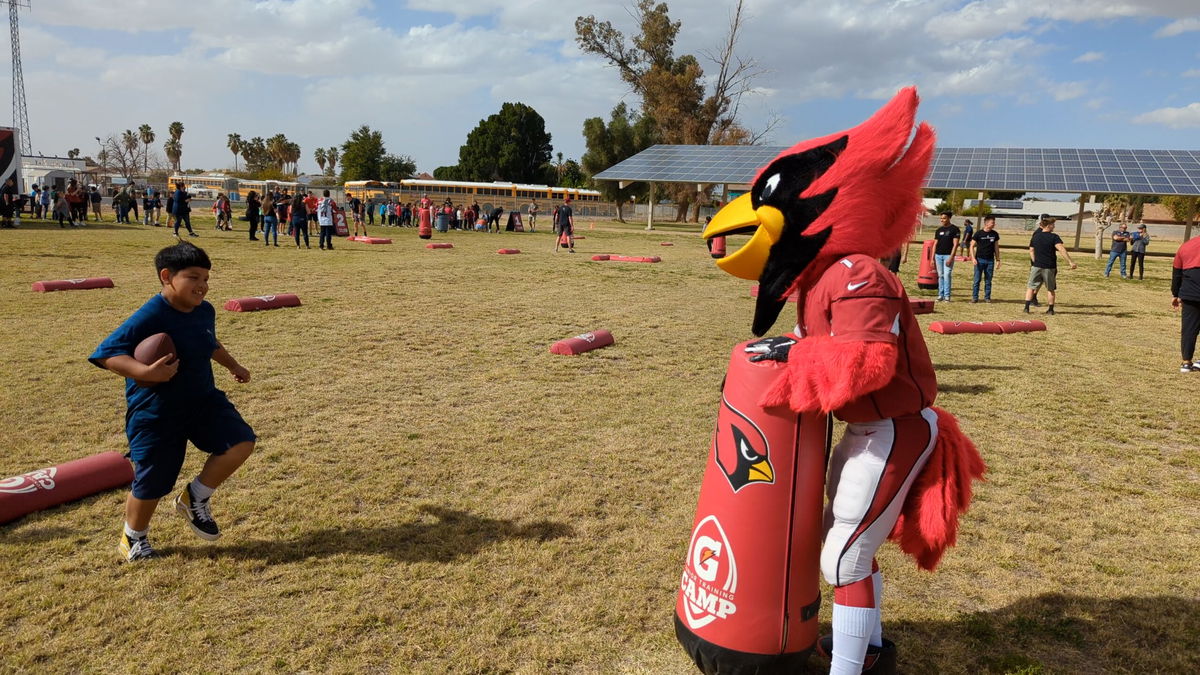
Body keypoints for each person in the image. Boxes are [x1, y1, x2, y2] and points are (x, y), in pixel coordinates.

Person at [89, 241, 255, 562]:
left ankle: (195, 497)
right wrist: (145, 372)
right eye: (193, 277)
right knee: (154, 479)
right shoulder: (151, 315)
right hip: (157, 411)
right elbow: (107, 353)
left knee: (240, 441)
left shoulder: (204, 310)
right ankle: (133, 538)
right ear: (167, 276)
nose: (202, 286)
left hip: (202, 400)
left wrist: (233, 365)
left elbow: (209, 341)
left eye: (206, 278)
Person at [1024, 215, 1076, 315]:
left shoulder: (1036, 236)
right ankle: (1050, 309)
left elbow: (1031, 250)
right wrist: (1070, 261)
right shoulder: (1054, 237)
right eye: (1053, 225)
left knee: (1031, 287)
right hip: (1049, 267)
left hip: (1036, 266)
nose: (1054, 227)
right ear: (1048, 226)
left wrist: (1035, 261)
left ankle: (1026, 307)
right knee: (1050, 289)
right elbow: (1061, 249)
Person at [1172, 234, 1200, 372]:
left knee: (1189, 329)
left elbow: (1177, 272)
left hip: (1190, 293)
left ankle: (1186, 362)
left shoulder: (1186, 246)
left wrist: (1175, 294)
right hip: (1191, 292)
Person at [969, 215, 1001, 303]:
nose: (994, 224)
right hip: (979, 260)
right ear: (986, 223)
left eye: (994, 222)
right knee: (977, 280)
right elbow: (971, 246)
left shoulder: (995, 234)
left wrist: (998, 259)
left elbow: (996, 247)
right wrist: (973, 258)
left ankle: (987, 297)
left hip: (990, 260)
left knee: (988, 280)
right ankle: (975, 297)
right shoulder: (978, 233)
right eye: (992, 222)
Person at [932, 213, 960, 301]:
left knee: (947, 275)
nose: (942, 220)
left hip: (948, 255)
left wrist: (951, 257)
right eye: (941, 218)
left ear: (949, 218)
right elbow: (935, 244)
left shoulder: (955, 229)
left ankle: (947, 296)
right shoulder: (939, 230)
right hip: (938, 256)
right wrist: (932, 258)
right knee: (941, 275)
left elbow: (955, 245)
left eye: (944, 218)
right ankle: (940, 295)